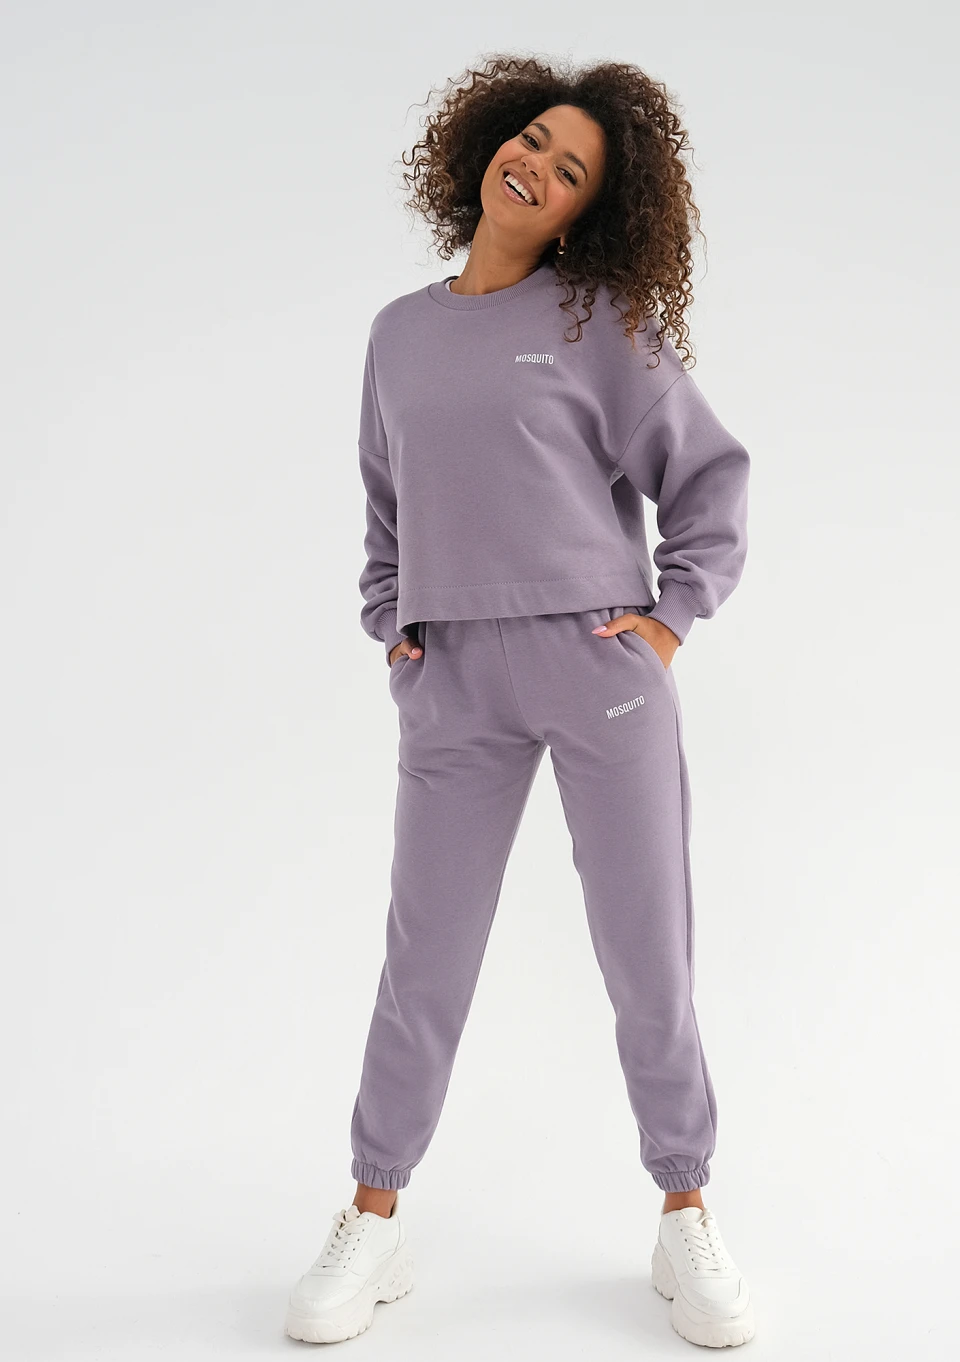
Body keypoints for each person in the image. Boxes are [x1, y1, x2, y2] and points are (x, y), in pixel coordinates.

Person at [285, 54, 755, 1349]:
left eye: (570, 171)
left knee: (647, 954)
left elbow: (709, 477)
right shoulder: (398, 332)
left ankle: (684, 1205)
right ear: (488, 143)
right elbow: (384, 504)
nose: (536, 168)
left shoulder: (599, 320)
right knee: (423, 959)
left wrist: (668, 619)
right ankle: (374, 1214)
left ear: (586, 213)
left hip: (598, 671)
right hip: (450, 681)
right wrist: (393, 625)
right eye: (533, 141)